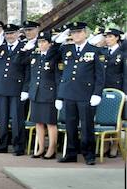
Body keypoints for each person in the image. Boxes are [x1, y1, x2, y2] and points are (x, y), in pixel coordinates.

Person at [54, 22, 104, 165]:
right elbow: (51, 56)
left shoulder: (94, 50)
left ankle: (89, 155)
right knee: (70, 124)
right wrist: (59, 39)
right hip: (69, 93)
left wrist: (97, 93)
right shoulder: (66, 49)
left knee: (87, 125)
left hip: (86, 94)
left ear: (85, 33)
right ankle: (71, 153)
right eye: (73, 33)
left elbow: (100, 75)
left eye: (79, 32)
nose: (76, 35)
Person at [22, 30, 61, 158]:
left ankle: (51, 148)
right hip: (36, 93)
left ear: (50, 43)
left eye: (44, 41)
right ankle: (40, 148)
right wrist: (25, 49)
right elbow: (19, 61)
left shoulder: (54, 57)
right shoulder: (35, 56)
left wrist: (58, 96)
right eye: (39, 42)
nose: (41, 44)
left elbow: (57, 78)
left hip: (49, 94)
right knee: (38, 122)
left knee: (50, 123)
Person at [0, 23, 27, 155]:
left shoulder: (24, 47)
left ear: (18, 34)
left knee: (17, 119)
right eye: (7, 34)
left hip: (16, 87)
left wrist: (25, 89)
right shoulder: (0, 47)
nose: (9, 36)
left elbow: (27, 70)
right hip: (1, 87)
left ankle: (18, 146)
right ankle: (2, 144)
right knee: (3, 118)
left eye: (12, 33)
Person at [100, 28, 125, 158]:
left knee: (117, 117)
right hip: (103, 88)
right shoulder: (103, 51)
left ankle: (114, 144)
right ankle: (105, 144)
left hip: (117, 88)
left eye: (110, 36)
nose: (107, 39)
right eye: (106, 37)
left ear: (116, 38)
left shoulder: (123, 53)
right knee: (104, 115)